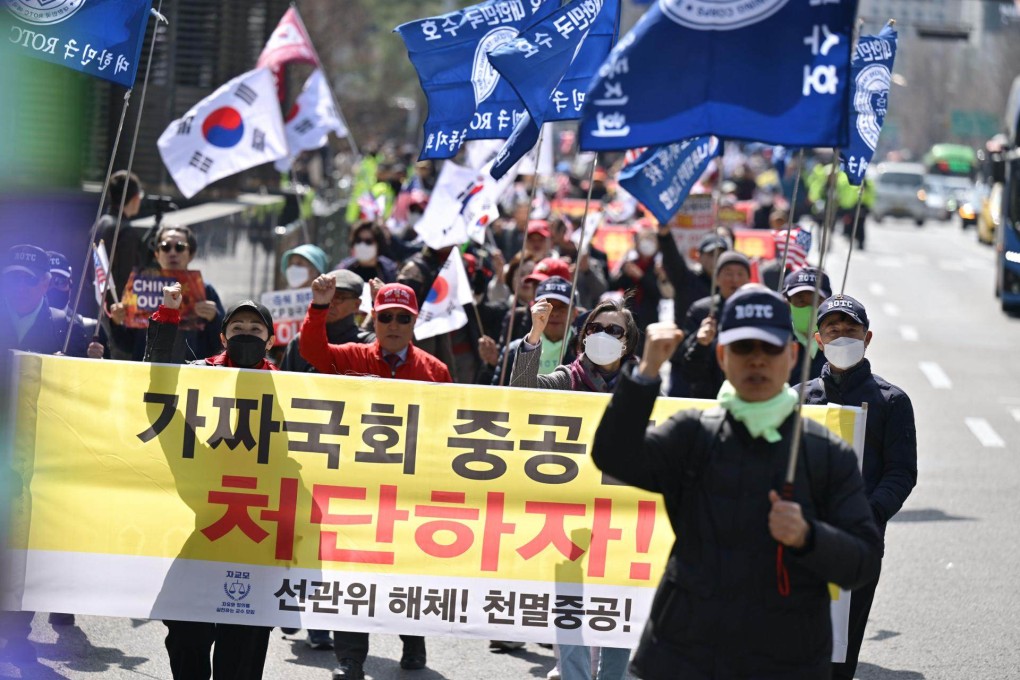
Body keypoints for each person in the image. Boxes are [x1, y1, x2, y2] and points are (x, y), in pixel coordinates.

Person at [591, 286, 882, 679]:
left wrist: (808, 536)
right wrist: (644, 375)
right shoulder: (693, 433)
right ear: (724, 356)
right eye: (743, 348)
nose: (757, 361)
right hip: (685, 654)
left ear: (793, 355)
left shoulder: (826, 452)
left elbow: (862, 561)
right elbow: (613, 457)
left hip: (786, 658)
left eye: (770, 348)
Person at [299, 275, 449, 680]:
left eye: (403, 317)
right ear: (375, 319)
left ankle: (413, 641)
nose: (394, 325)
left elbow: (446, 432)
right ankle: (350, 658)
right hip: (355, 491)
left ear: (415, 321)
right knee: (352, 573)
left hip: (409, 492)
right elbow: (311, 350)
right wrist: (319, 306)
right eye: (386, 317)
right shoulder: (351, 356)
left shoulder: (435, 371)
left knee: (408, 573)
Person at [145, 284, 277, 679]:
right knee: (186, 634)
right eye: (239, 326)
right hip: (199, 523)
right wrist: (168, 314)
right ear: (223, 336)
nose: (247, 333)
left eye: (257, 327)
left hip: (257, 530)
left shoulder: (291, 388)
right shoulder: (200, 375)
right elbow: (159, 387)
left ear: (270, 339)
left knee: (244, 646)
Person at [511, 297, 640, 680]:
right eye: (595, 329)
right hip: (571, 513)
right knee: (571, 606)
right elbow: (523, 392)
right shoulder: (567, 380)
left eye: (613, 330)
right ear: (582, 337)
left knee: (618, 607)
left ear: (627, 343)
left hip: (622, 516)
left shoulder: (644, 390)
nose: (603, 335)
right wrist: (534, 335)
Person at [796, 294, 917, 680]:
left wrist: (868, 512)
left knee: (839, 648)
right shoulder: (799, 399)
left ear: (867, 339)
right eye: (833, 330)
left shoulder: (892, 402)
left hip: (858, 542)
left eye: (851, 330)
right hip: (800, 538)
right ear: (818, 339)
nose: (842, 337)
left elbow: (901, 474)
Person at [109, 225, 225, 362]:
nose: (172, 252)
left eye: (180, 247)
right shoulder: (140, 288)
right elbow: (126, 345)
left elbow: (221, 346)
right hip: (149, 370)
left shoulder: (206, 292)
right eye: (165, 247)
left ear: (191, 254)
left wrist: (214, 319)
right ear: (157, 254)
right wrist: (116, 322)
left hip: (192, 374)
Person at [677, 251, 751, 398]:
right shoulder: (701, 310)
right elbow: (687, 367)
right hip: (706, 396)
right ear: (717, 278)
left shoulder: (757, 310)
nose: (734, 279)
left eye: (740, 273)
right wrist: (700, 343)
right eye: (728, 273)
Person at [281, 269, 373, 373]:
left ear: (356, 304)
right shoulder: (299, 342)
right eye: (327, 295)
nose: (330, 302)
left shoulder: (367, 344)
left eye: (339, 297)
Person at [493, 276, 578, 386]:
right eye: (547, 306)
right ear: (533, 310)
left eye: (562, 307)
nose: (554, 313)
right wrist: (490, 366)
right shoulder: (513, 350)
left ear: (575, 313)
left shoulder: (585, 353)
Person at [782, 267, 831, 385]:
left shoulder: (836, 346)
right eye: (801, 302)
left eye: (816, 302)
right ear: (787, 303)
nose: (809, 308)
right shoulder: (776, 344)